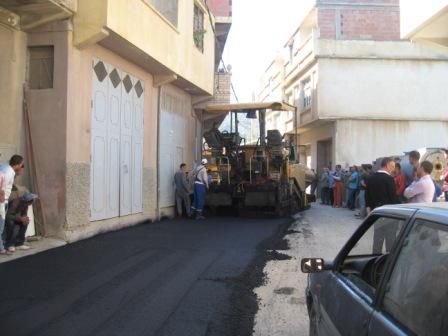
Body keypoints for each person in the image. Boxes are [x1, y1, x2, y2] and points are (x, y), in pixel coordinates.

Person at [365, 157, 400, 253]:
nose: (393, 168)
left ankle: (374, 258)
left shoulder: (371, 177)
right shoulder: (389, 179)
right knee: (390, 240)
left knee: (377, 238)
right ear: (387, 165)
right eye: (392, 166)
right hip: (389, 214)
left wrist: (369, 209)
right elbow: (393, 198)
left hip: (377, 213)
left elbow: (367, 196)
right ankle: (388, 262)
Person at [0, 155, 25, 256]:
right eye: (22, 165)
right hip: (2, 201)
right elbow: (1, 190)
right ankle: (1, 249)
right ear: (18, 164)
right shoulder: (9, 173)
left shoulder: (4, 167)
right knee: (0, 226)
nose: (22, 168)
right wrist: (2, 205)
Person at [5, 187, 38, 252]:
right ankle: (10, 244)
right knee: (10, 223)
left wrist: (25, 218)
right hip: (10, 218)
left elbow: (24, 214)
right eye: (31, 200)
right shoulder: (15, 202)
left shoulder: (25, 204)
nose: (32, 202)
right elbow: (8, 216)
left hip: (17, 218)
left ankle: (19, 243)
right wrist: (20, 218)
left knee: (25, 222)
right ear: (27, 200)